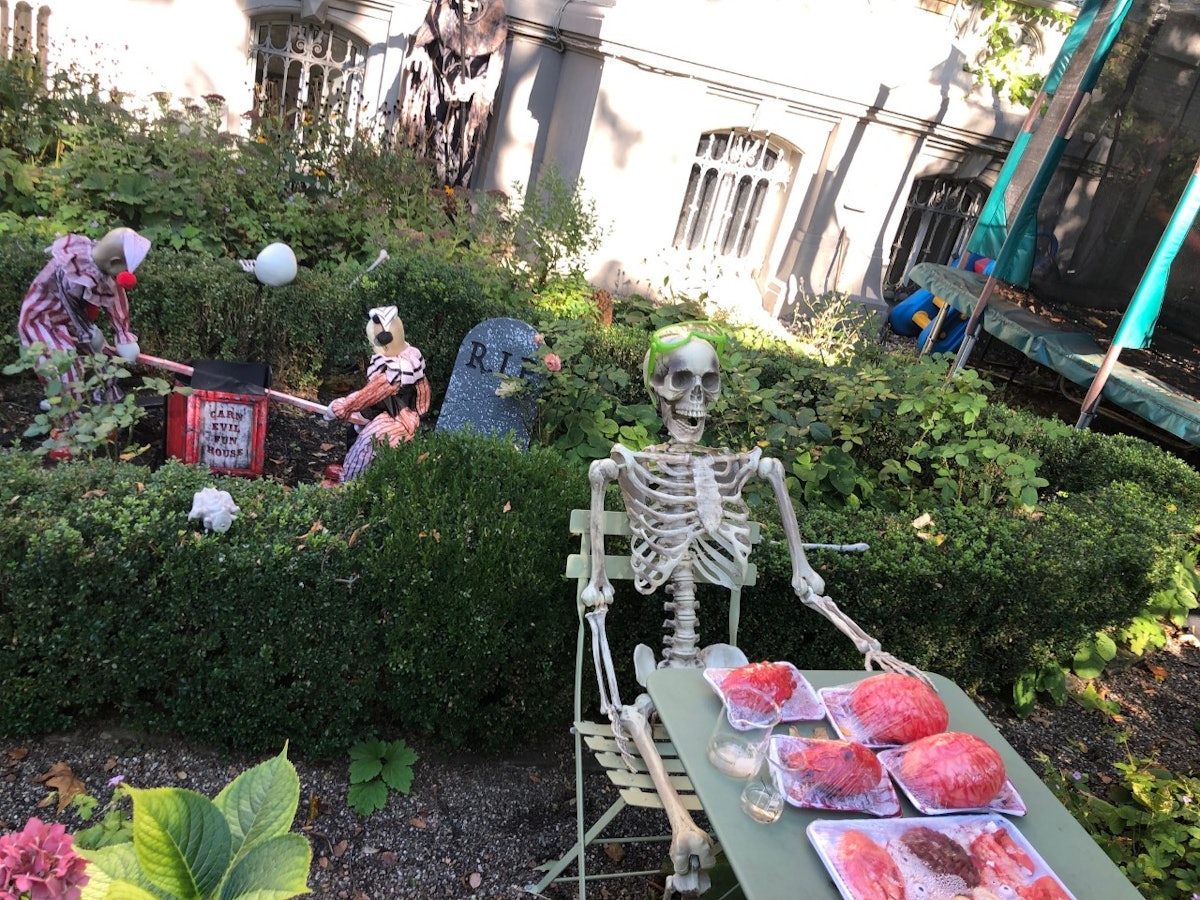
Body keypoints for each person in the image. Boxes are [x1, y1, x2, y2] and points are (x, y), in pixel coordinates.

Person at [17, 227, 149, 404]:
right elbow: (70, 304)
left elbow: (117, 300)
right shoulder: (72, 268)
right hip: (43, 321)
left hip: (70, 322)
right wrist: (89, 332)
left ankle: (106, 401)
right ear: (114, 262)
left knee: (105, 358)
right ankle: (64, 409)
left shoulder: (106, 269)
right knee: (64, 365)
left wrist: (123, 335)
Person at [398, 0, 508, 186]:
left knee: (459, 158)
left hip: (466, 108)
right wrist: (418, 55)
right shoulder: (443, 9)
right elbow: (423, 42)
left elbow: (493, 75)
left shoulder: (495, 24)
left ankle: (451, 204)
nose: (464, 5)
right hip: (437, 94)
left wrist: (474, 87)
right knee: (430, 149)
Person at [323, 306, 431, 483]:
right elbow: (423, 391)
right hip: (391, 409)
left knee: (368, 440)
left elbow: (367, 395)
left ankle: (349, 480)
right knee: (356, 428)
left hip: (400, 418)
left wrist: (340, 408)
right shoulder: (410, 357)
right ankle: (364, 471)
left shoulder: (395, 372)